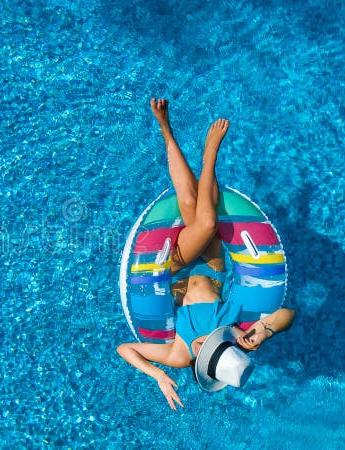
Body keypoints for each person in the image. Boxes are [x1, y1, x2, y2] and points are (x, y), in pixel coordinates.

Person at [117, 98, 295, 411]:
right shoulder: (236, 334)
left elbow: (125, 349)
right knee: (195, 208)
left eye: (203, 354)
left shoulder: (179, 355)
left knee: (203, 217)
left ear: (201, 365)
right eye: (212, 346)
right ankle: (197, 150)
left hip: (175, 271)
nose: (203, 344)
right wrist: (265, 331)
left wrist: (156, 374)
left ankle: (176, 136)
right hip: (213, 267)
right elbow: (289, 315)